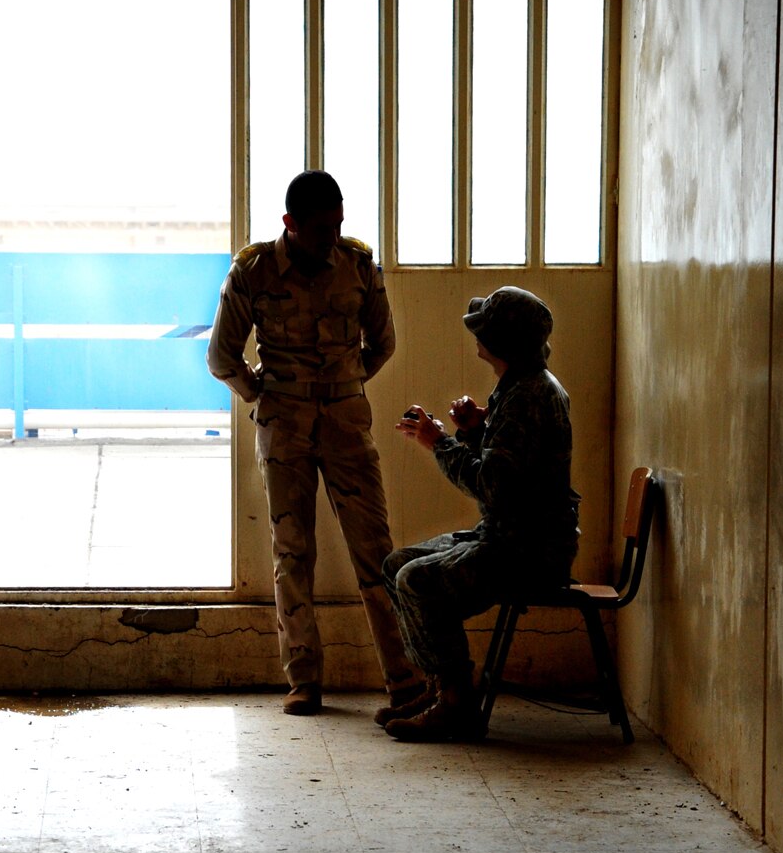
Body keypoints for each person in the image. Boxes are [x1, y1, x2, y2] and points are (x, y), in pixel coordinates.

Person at [206, 171, 425, 718]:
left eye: (339, 224)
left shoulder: (357, 265)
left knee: (377, 552)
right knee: (292, 551)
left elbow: (384, 342)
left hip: (346, 422)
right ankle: (303, 679)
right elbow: (221, 357)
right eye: (322, 228)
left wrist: (344, 385)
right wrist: (264, 393)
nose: (333, 235)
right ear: (290, 224)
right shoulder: (253, 271)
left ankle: (404, 679)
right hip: (284, 426)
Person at [382, 286, 579, 742]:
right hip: (515, 537)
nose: (477, 336)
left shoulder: (528, 397)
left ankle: (456, 703)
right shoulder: (521, 386)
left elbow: (492, 486)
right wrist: (475, 432)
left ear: (502, 343)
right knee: (396, 566)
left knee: (417, 580)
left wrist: (440, 443)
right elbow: (510, 475)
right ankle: (440, 687)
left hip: (528, 551)